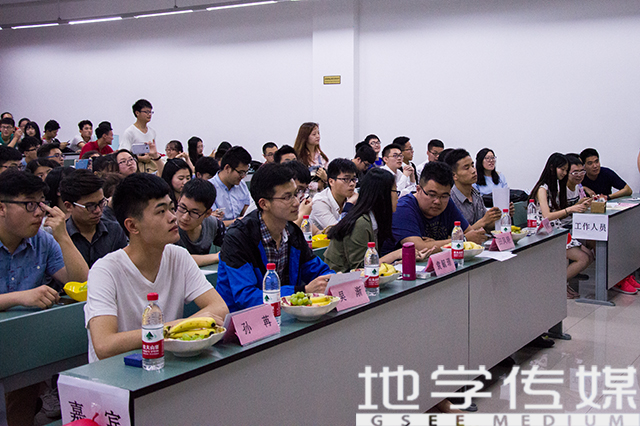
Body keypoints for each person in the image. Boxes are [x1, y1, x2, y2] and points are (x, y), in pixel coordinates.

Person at [84, 173, 229, 362]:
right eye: (161, 212)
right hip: (119, 372)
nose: (173, 218)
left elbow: (219, 308)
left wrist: (179, 327)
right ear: (132, 226)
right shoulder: (105, 271)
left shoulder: (178, 257)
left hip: (164, 365)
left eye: (172, 208)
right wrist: (174, 328)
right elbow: (105, 345)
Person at [216, 162, 334, 312]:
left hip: (283, 315)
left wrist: (331, 280)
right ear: (264, 204)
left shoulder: (293, 232)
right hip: (242, 319)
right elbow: (246, 297)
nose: (296, 202)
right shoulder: (238, 238)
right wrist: (301, 291)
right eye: (287, 197)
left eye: (296, 194)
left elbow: (318, 269)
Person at [0, 170, 89, 310]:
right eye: (30, 204)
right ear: (2, 208)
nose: (39, 213)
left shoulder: (42, 240)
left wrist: (63, 237)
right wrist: (19, 298)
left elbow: (83, 285)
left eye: (41, 204)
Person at [325, 168, 433, 272]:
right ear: (383, 195)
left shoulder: (377, 219)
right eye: (396, 192)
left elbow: (375, 264)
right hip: (337, 279)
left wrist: (403, 260)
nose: (398, 197)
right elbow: (360, 269)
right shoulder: (360, 223)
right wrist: (396, 254)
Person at [383, 161, 486, 255]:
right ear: (418, 189)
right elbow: (418, 248)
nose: (437, 201)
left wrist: (435, 244)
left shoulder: (447, 203)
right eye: (432, 195)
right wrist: (462, 240)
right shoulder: (403, 208)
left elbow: (471, 234)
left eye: (444, 196)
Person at [530, 153, 594, 298]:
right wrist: (570, 209)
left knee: (589, 256)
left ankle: (561, 284)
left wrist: (577, 206)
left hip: (557, 229)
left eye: (566, 170)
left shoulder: (557, 186)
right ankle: (555, 285)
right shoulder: (542, 189)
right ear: (552, 167)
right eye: (562, 169)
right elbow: (547, 216)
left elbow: (559, 213)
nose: (564, 173)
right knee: (583, 258)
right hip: (545, 232)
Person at [59, 169, 128, 267]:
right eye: (90, 206)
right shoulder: (60, 236)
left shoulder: (115, 231)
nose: (98, 210)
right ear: (69, 206)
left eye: (101, 203)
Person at [444, 149, 503, 230]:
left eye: (472, 166)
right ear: (454, 175)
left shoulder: (475, 194)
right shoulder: (450, 200)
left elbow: (487, 225)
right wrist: (483, 221)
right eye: (466, 168)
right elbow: (456, 235)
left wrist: (502, 215)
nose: (473, 171)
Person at [175, 178, 226, 266]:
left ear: (208, 213)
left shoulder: (214, 225)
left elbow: (232, 249)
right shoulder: (168, 225)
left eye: (194, 212)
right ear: (179, 200)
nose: (185, 217)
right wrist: (216, 257)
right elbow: (176, 260)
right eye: (182, 207)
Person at [310, 158, 358, 230]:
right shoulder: (320, 202)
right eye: (345, 179)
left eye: (353, 179)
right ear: (331, 182)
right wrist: (349, 204)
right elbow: (337, 231)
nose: (352, 184)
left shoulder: (354, 195)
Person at [209, 146, 252, 226]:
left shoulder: (241, 185)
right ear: (227, 168)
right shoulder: (209, 188)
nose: (243, 176)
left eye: (245, 172)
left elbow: (247, 211)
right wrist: (238, 221)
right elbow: (212, 224)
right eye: (241, 172)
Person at [293, 122, 329, 186]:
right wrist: (316, 186)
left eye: (318, 133)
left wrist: (325, 178)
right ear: (305, 137)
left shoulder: (322, 157)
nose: (318, 136)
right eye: (314, 134)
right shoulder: (298, 157)